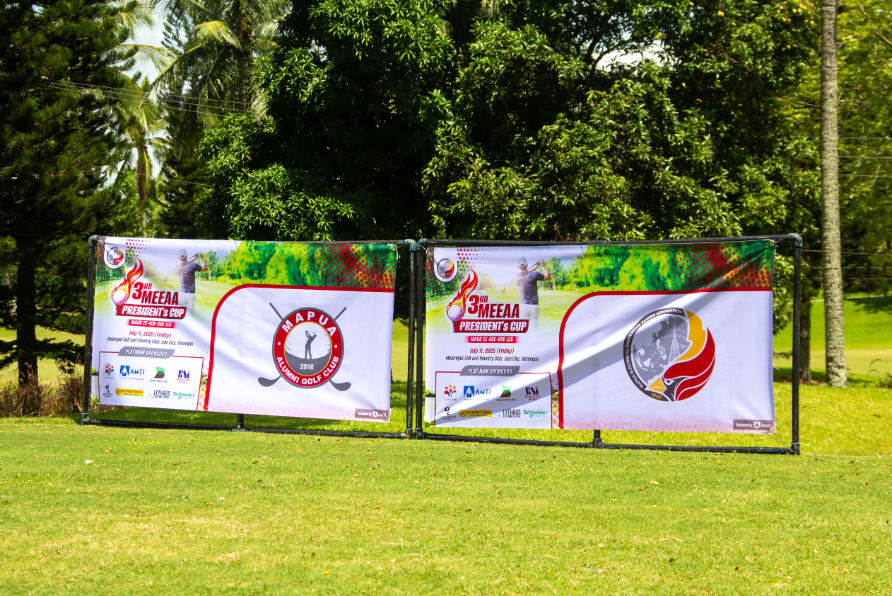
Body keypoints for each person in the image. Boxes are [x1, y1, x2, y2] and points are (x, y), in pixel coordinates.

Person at [515, 257, 550, 333]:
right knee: (533, 330)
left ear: (518, 267)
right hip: (534, 306)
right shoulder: (535, 274)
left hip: (524, 306)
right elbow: (548, 277)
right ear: (527, 265)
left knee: (522, 330)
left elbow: (526, 273)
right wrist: (543, 265)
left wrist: (536, 266)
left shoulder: (517, 277)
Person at [175, 249, 207, 315]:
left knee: (182, 315)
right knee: (190, 316)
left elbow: (185, 263)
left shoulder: (178, 268)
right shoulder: (193, 265)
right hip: (191, 295)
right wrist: (201, 257)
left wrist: (195, 257)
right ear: (187, 256)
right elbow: (205, 268)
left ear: (178, 258)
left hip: (182, 294)